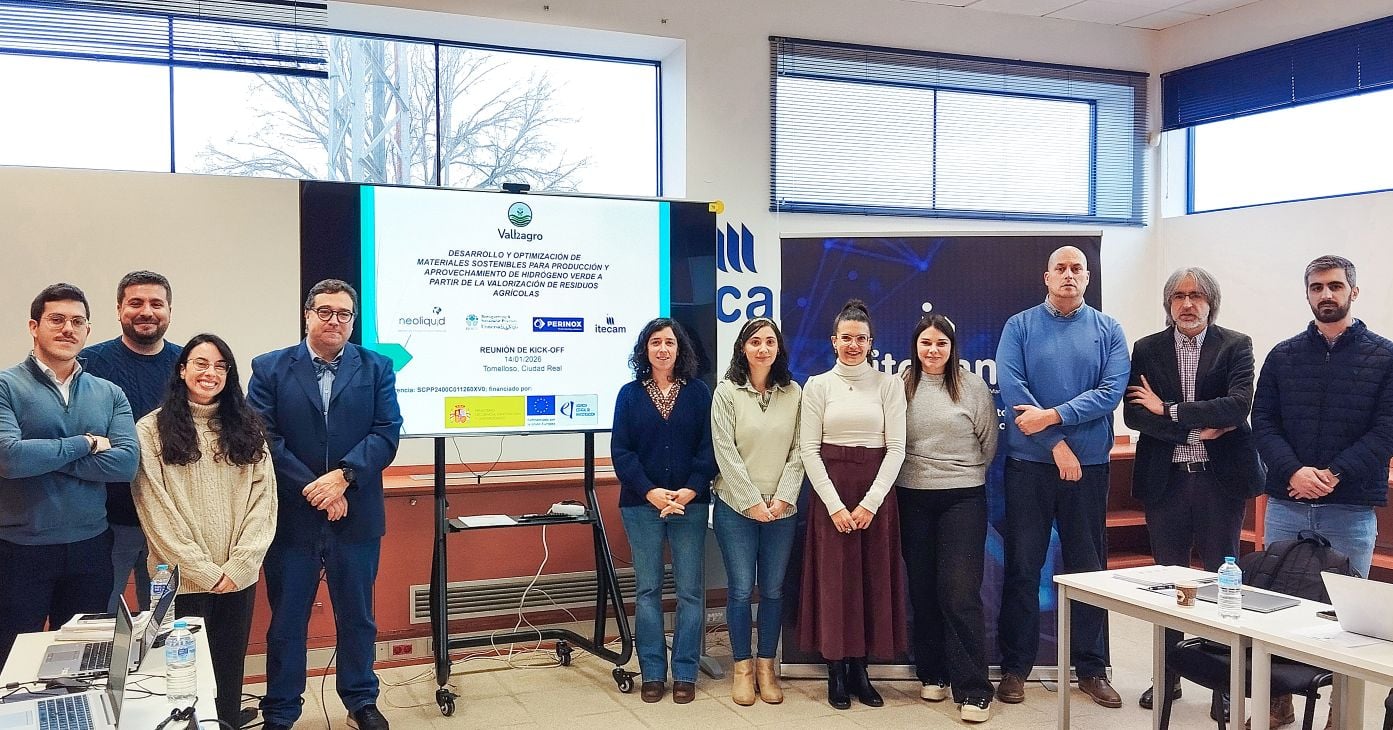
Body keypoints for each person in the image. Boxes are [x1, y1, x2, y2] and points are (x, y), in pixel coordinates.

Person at [248, 279, 402, 730]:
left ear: (352, 321)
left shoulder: (377, 367)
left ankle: (360, 700)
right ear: (307, 315)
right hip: (292, 518)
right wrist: (318, 489)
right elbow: (264, 437)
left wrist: (344, 478)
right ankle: (281, 709)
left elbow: (386, 432)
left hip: (356, 515)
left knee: (357, 617)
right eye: (325, 311)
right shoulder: (269, 368)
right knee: (287, 619)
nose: (335, 320)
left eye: (344, 314)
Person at [1252, 255, 1393, 729]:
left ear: (1354, 292)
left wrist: (1333, 474)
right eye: (1317, 287)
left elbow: (1387, 429)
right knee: (1274, 605)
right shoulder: (1283, 355)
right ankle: (1276, 703)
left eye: (1335, 286)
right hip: (1287, 504)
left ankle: (1340, 715)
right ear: (1307, 293)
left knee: (1349, 620)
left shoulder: (1385, 356)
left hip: (1349, 508)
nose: (1326, 294)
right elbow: (1263, 421)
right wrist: (1293, 471)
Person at [994, 246, 1129, 709]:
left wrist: (1053, 417)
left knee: (1089, 569)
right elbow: (1013, 390)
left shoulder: (1108, 330)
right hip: (1029, 467)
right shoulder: (1019, 326)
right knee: (1022, 567)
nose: (1068, 275)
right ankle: (1015, 668)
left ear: (1087, 277)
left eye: (1077, 269)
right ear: (1046, 276)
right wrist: (1056, 444)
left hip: (1088, 468)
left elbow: (1110, 393)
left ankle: (1091, 669)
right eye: (1061, 268)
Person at [1124, 267, 1262, 720]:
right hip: (1166, 482)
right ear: (1168, 304)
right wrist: (1193, 427)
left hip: (1220, 484)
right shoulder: (1147, 348)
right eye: (1179, 296)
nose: (1187, 304)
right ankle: (1169, 675)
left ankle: (1224, 682)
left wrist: (1169, 409)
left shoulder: (1235, 345)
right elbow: (1134, 415)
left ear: (1211, 302)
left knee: (1223, 584)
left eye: (1197, 296)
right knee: (1169, 583)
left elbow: (1237, 406)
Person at [132, 333, 277, 728]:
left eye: (220, 366)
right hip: (180, 580)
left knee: (228, 672)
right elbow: (155, 511)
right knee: (182, 681)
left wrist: (240, 566)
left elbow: (264, 503)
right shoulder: (151, 429)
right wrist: (204, 571)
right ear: (182, 370)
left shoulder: (248, 427)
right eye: (200, 363)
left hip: (237, 579)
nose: (210, 372)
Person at [0, 283, 138, 664]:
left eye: (77, 322)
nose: (68, 329)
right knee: (11, 661)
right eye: (57, 319)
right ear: (34, 326)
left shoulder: (109, 393)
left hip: (90, 548)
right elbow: (9, 459)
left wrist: (42, 456)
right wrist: (86, 442)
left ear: (88, 330)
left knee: (81, 662)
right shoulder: (6, 386)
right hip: (20, 550)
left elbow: (126, 464)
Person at [796, 298, 908, 711]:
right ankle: (836, 671)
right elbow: (809, 450)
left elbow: (896, 448)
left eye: (861, 338)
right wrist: (835, 506)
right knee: (835, 583)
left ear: (871, 342)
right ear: (833, 341)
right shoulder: (817, 386)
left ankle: (862, 670)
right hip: (831, 495)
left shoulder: (889, 385)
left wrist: (870, 503)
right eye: (846, 338)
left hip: (875, 495)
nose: (853, 345)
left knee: (872, 580)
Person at [896, 314, 998, 724]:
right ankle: (932, 673)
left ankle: (973, 690)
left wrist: (959, 474)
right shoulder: (900, 384)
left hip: (963, 498)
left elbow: (988, 442)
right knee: (922, 590)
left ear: (953, 347)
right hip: (911, 496)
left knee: (959, 592)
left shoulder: (972, 386)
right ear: (915, 346)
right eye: (926, 343)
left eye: (941, 343)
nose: (933, 350)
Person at [611, 318, 716, 706]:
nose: (663, 349)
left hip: (690, 504)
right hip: (642, 505)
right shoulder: (629, 395)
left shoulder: (698, 392)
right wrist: (651, 491)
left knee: (689, 591)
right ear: (645, 349)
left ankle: (685, 672)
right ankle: (653, 672)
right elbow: (622, 452)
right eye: (655, 342)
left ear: (680, 349)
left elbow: (709, 447)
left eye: (670, 342)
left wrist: (690, 490)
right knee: (648, 590)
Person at [710, 317, 804, 706]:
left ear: (778, 348)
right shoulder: (726, 392)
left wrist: (782, 498)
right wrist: (751, 500)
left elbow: (800, 449)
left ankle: (767, 667)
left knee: (774, 589)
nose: (762, 348)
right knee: (739, 589)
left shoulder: (794, 392)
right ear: (742, 348)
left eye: (769, 342)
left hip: (782, 508)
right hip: (736, 506)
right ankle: (743, 668)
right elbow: (724, 450)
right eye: (754, 342)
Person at [82, 270, 182, 614]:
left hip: (169, 521)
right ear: (119, 309)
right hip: (108, 521)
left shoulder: (187, 366)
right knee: (101, 619)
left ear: (169, 310)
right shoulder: (88, 364)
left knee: (164, 621)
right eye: (136, 303)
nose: (147, 312)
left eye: (156, 303)